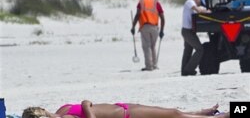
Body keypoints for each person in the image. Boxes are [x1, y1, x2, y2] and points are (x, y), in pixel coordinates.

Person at [22, 100, 230, 118]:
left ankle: (203, 112)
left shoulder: (61, 110)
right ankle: (236, 112)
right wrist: (86, 106)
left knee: (170, 111)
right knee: (174, 115)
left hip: (122, 107)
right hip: (127, 115)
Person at [130, 0, 165, 71]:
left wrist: (133, 26)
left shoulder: (141, 2)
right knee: (153, 46)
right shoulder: (157, 3)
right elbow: (163, 18)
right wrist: (162, 30)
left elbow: (138, 15)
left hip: (145, 26)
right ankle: (154, 65)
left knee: (147, 46)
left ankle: (149, 67)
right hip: (155, 27)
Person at [181, 0, 211, 76]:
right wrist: (207, 11)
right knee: (200, 49)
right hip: (188, 31)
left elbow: (201, 9)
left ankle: (184, 71)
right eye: (200, 1)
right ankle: (189, 69)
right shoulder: (190, 2)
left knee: (188, 50)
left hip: (188, 31)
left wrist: (206, 10)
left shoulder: (194, 5)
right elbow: (198, 10)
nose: (200, 3)